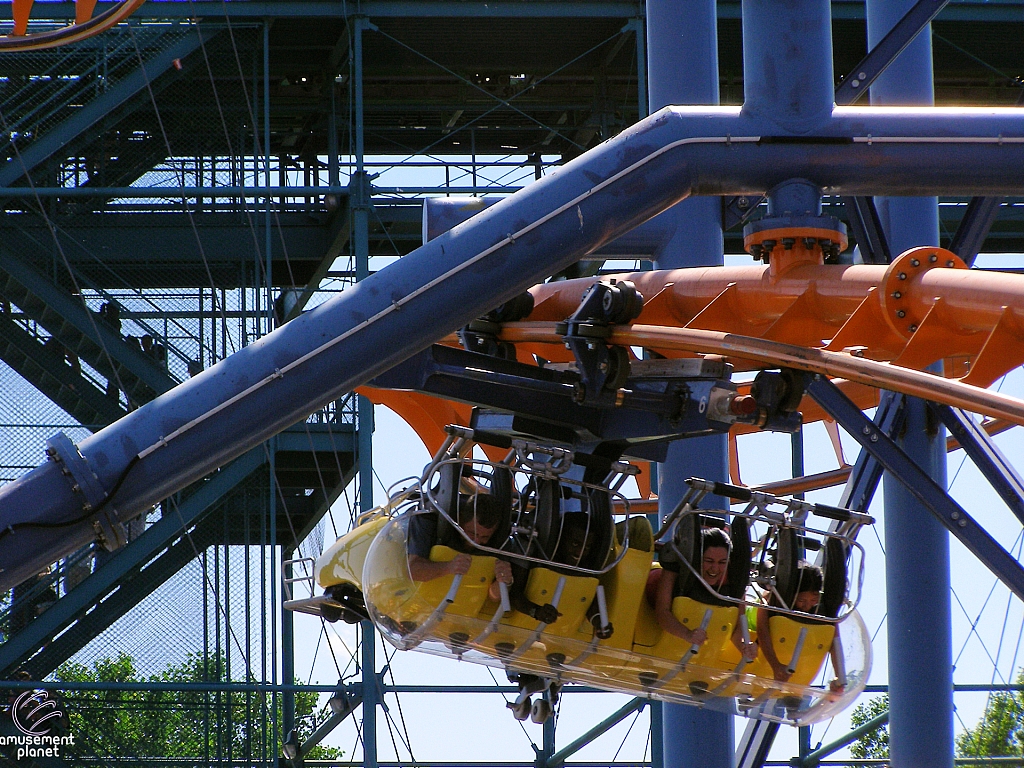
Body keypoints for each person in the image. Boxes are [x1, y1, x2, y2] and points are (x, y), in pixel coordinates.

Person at [655, 526, 758, 661]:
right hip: (653, 589)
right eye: (709, 561)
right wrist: (687, 634)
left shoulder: (734, 582)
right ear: (698, 558)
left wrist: (744, 646)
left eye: (722, 562)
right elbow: (662, 612)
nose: (715, 568)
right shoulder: (675, 571)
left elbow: (737, 627)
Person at [407, 493, 512, 602]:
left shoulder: (501, 541)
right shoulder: (429, 520)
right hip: (413, 596)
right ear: (460, 520)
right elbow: (413, 571)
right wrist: (448, 567)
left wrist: (504, 581)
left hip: (463, 606)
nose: (476, 541)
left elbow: (494, 597)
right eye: (472, 533)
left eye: (485, 537)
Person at [757, 562, 844, 691]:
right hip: (768, 662)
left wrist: (839, 676)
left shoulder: (822, 611)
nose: (807, 606)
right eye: (802, 600)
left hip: (801, 670)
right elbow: (762, 632)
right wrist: (776, 666)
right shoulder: (772, 600)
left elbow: (834, 642)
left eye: (813, 601)